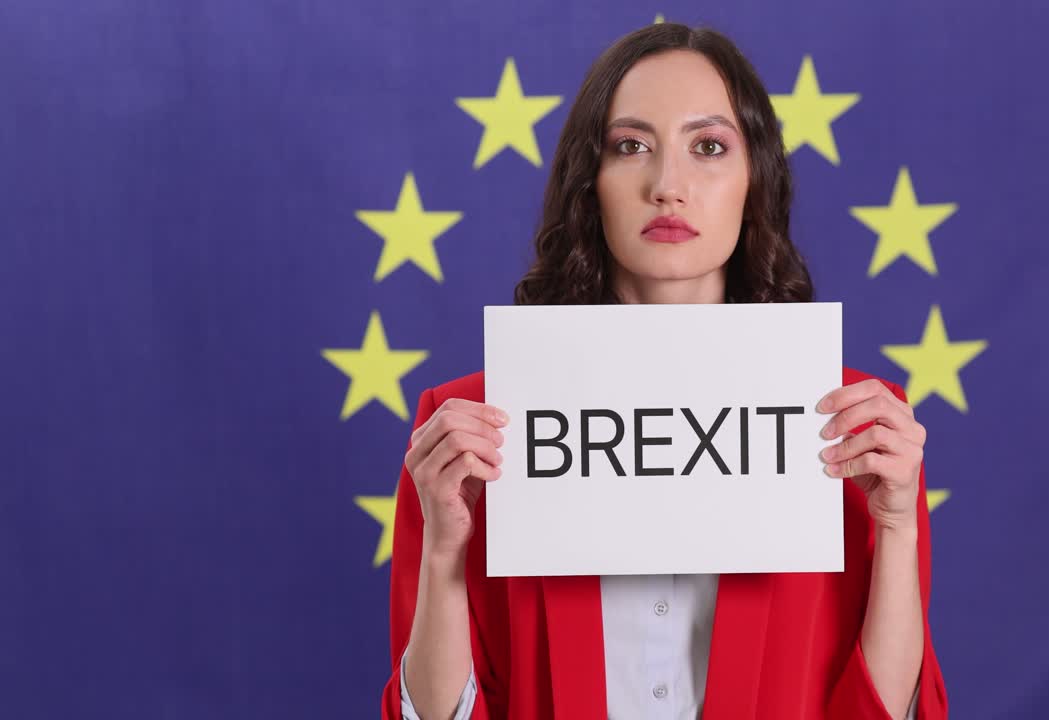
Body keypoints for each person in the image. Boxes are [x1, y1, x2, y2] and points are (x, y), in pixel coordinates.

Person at [380, 23, 947, 720]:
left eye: (708, 147)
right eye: (630, 146)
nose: (668, 186)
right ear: (590, 182)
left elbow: (878, 712)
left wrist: (895, 531)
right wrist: (443, 555)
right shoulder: (470, 428)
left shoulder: (852, 422)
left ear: (754, 179)